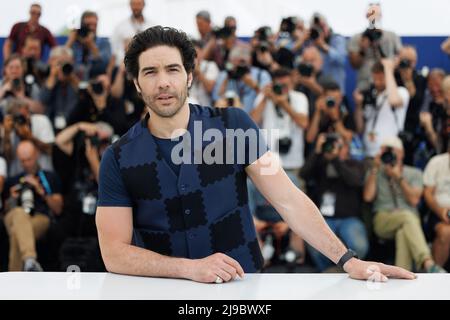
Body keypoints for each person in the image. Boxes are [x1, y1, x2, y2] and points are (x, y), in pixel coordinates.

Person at [96, 26, 415, 284]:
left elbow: (288, 200)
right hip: (161, 292)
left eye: (173, 69)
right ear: (136, 83)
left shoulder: (232, 125)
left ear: (190, 76)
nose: (163, 82)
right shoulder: (118, 158)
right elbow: (113, 253)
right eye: (150, 72)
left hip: (242, 288)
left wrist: (347, 260)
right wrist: (188, 268)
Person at [363, 136, 445, 272]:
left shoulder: (414, 173)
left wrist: (398, 177)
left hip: (409, 220)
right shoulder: (375, 172)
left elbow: (414, 200)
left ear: (401, 153)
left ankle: (402, 276)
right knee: (407, 217)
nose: (389, 154)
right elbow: (367, 197)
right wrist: (374, 169)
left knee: (403, 231)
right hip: (384, 218)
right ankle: (428, 263)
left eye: (392, 150)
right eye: (385, 150)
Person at [3, 140, 63, 271]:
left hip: (39, 218)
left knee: (16, 232)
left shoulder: (49, 177)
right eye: (22, 161)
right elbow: (5, 211)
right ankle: (30, 260)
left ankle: (14, 279)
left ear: (36, 155)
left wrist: (41, 191)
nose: (26, 164)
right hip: (14, 215)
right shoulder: (13, 180)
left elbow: (58, 209)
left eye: (28, 159)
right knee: (19, 213)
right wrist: (11, 199)